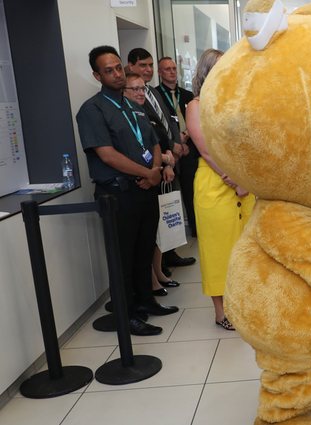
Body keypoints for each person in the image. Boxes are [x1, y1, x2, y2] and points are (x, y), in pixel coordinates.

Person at [76, 46, 178, 336]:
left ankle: (147, 301)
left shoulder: (134, 105)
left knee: (144, 250)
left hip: (146, 191)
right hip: (118, 195)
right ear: (97, 75)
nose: (117, 73)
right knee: (123, 258)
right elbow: (107, 155)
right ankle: (128, 314)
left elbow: (155, 142)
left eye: (118, 67)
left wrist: (155, 171)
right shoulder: (92, 110)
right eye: (109, 70)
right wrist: (148, 172)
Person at [187, 49, 255, 330]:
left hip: (245, 184)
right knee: (218, 249)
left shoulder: (236, 101)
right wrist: (233, 179)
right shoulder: (196, 105)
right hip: (215, 184)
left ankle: (246, 306)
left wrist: (246, 180)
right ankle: (221, 312)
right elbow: (205, 149)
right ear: (206, 72)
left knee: (248, 249)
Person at [128, 48, 196, 270]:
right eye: (143, 66)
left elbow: (167, 122)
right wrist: (167, 155)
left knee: (171, 209)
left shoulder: (152, 92)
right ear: (131, 67)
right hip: (157, 163)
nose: (147, 70)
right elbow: (151, 132)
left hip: (173, 156)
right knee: (160, 214)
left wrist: (178, 144)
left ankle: (170, 253)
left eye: (149, 65)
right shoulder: (139, 97)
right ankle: (159, 265)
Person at [122, 71, 181, 297]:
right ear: (123, 91)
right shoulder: (125, 114)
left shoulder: (143, 110)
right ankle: (151, 282)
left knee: (155, 233)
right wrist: (157, 167)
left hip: (156, 174)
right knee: (143, 240)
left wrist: (164, 164)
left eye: (142, 88)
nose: (140, 93)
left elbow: (157, 141)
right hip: (140, 182)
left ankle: (157, 273)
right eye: (134, 89)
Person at [156, 56, 198, 238]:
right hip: (168, 151)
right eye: (167, 69)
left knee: (191, 190)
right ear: (160, 73)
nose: (172, 72)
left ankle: (197, 229)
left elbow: (195, 120)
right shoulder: (156, 95)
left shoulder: (188, 95)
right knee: (170, 194)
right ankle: (173, 237)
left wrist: (185, 139)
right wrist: (174, 145)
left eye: (174, 68)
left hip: (189, 148)